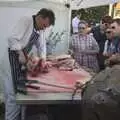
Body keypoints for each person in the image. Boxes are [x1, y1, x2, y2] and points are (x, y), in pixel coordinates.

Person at [0, 8, 55, 120]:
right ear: (39, 17)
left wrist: (42, 60)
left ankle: (18, 116)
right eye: (44, 25)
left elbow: (42, 46)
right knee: (12, 95)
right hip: (11, 58)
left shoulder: (40, 30)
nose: (44, 28)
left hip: (21, 59)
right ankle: (10, 118)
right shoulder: (26, 20)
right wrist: (20, 53)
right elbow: (12, 39)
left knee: (17, 93)